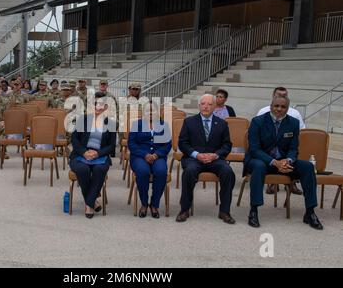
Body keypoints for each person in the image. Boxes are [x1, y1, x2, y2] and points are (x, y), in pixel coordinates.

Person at [245, 95, 323, 230]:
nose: (279, 109)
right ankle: (254, 211)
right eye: (276, 106)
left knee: (307, 167)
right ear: (271, 106)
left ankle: (310, 212)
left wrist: (288, 160)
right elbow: (254, 149)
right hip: (262, 160)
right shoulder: (258, 121)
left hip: (284, 162)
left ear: (287, 109)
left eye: (283, 107)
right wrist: (274, 162)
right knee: (258, 166)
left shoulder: (293, 123)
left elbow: (293, 148)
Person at [176, 94, 236, 224]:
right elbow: (183, 143)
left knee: (228, 172)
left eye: (209, 104)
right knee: (189, 172)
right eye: (203, 103)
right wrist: (196, 154)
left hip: (215, 159)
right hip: (194, 159)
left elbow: (227, 145)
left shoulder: (222, 124)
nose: (206, 106)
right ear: (199, 106)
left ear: (214, 106)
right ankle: (184, 209)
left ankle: (224, 211)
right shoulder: (189, 122)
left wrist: (215, 155)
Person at [69, 92, 117, 218]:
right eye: (95, 103)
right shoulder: (83, 120)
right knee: (82, 169)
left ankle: (89, 204)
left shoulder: (110, 123)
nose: (98, 106)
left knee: (99, 169)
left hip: (100, 155)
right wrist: (84, 152)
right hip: (80, 154)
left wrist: (98, 153)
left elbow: (111, 146)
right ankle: (92, 201)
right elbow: (74, 139)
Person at [257, 87, 304, 195]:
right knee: (260, 163)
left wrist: (289, 158)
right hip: (267, 153)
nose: (281, 98)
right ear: (273, 96)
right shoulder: (263, 112)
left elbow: (301, 133)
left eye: (284, 95)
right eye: (279, 95)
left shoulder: (295, 114)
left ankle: (293, 182)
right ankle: (272, 183)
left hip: (285, 151)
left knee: (297, 159)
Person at [128, 102, 172, 218]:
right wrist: (145, 154)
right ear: (143, 112)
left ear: (158, 112)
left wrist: (156, 155)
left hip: (158, 156)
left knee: (161, 171)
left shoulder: (164, 125)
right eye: (148, 110)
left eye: (153, 110)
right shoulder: (136, 124)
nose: (151, 113)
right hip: (139, 156)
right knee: (143, 171)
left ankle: (154, 204)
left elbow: (167, 145)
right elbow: (131, 144)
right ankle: (144, 203)